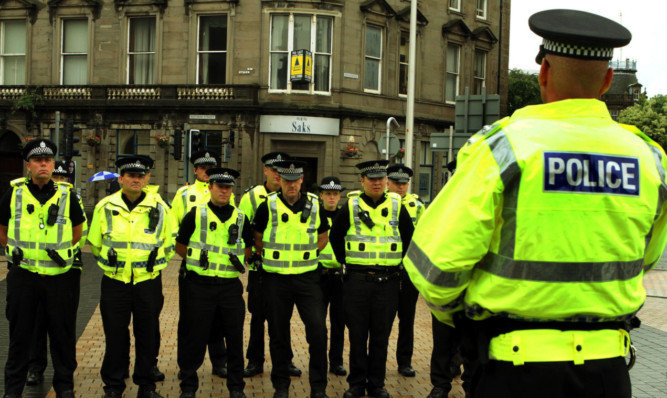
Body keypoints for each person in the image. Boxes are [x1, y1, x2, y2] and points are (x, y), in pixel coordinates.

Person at [403, 9, 667, 398]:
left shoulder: (504, 147)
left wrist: (460, 319)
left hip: (514, 369)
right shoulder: (650, 158)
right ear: (607, 80)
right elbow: (645, 258)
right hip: (607, 373)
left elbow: (435, 267)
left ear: (543, 72)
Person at [0, 139, 85, 398]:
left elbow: (76, 232)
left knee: (62, 335)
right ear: (28, 166)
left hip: (59, 278)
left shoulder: (66, 195)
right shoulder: (13, 194)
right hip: (23, 276)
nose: (44, 164)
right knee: (19, 337)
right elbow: (2, 232)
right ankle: (12, 390)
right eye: (38, 160)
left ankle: (64, 387)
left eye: (48, 160)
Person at [88, 155, 174, 398]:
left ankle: (146, 386)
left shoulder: (160, 207)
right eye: (131, 176)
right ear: (121, 178)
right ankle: (114, 387)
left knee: (147, 335)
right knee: (115, 335)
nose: (136, 180)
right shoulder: (105, 206)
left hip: (147, 282)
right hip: (115, 282)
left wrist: (154, 266)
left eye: (140, 176)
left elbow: (168, 243)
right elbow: (95, 244)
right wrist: (113, 266)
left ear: (147, 178)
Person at [329, 160, 414, 398]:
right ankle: (356, 383)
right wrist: (349, 263)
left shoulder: (397, 205)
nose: (377, 183)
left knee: (380, 337)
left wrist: (397, 265)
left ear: (386, 181)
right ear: (362, 181)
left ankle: (377, 384)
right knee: (357, 335)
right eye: (371, 179)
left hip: (387, 283)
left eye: (380, 178)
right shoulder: (352, 205)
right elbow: (336, 237)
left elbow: (409, 239)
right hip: (357, 281)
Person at [252, 160, 330, 398]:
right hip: (277, 280)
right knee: (278, 334)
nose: (291, 185)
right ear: (280, 181)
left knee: (318, 332)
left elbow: (323, 237)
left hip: (308, 279)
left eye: (295, 180)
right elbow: (257, 239)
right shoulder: (268, 206)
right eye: (287, 180)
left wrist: (305, 257)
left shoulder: (316, 205)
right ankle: (281, 386)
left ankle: (318, 388)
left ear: (302, 180)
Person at [175, 167, 251, 398]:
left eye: (228, 188)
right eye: (219, 187)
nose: (224, 191)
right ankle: (188, 387)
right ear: (210, 188)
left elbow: (247, 248)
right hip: (199, 286)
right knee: (194, 338)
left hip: (229, 286)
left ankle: (236, 388)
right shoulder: (196, 214)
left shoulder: (240, 217)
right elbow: (180, 246)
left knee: (235, 339)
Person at [238, 151, 302, 378]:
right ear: (265, 170)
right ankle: (255, 361)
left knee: (283, 319)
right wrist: (247, 255)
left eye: (280, 171)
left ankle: (285, 361)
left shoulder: (297, 197)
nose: (277, 174)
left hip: (286, 270)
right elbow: (243, 230)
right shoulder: (252, 197)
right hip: (260, 269)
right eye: (273, 170)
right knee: (258, 317)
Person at [26, 161, 88, 387]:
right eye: (58, 178)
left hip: (67, 268)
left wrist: (61, 253)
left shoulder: (73, 200)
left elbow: (81, 233)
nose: (61, 182)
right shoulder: (36, 198)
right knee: (36, 321)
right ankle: (35, 367)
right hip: (36, 269)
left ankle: (64, 373)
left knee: (64, 324)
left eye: (65, 179)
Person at [171, 150, 230, 379]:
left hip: (219, 268)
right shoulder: (184, 194)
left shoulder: (225, 192)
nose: (207, 172)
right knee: (189, 319)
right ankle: (186, 365)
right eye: (203, 168)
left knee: (218, 319)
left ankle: (219, 363)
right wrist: (191, 256)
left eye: (211, 168)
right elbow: (175, 228)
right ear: (195, 170)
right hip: (192, 269)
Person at [385, 164, 424, 378]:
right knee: (383, 320)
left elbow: (425, 234)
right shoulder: (381, 204)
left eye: (404, 183)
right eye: (396, 183)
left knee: (407, 319)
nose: (401, 187)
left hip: (409, 270)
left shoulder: (418, 206)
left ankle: (405, 361)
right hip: (388, 269)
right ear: (387, 183)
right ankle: (378, 360)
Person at [317, 176, 347, 377]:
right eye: (328, 193)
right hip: (318, 276)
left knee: (339, 323)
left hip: (340, 277)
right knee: (317, 324)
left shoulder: (345, 216)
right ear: (321, 195)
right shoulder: (313, 215)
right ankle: (318, 361)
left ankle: (336, 362)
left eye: (335, 194)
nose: (331, 197)